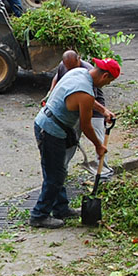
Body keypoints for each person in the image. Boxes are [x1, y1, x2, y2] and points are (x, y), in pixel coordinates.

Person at [30, 58, 120, 228]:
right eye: (109, 81)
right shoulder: (86, 92)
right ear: (105, 76)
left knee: (59, 171)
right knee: (54, 175)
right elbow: (86, 126)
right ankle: (39, 215)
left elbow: (82, 98)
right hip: (50, 131)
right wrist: (99, 146)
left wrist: (103, 110)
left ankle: (61, 209)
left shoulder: (79, 73)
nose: (107, 84)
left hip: (46, 124)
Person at [47, 50, 114, 179]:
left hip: (95, 107)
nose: (71, 70)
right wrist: (50, 94)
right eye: (68, 68)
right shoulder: (67, 67)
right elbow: (57, 78)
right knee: (72, 140)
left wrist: (103, 111)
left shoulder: (89, 72)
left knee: (99, 139)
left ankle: (103, 169)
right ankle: (62, 169)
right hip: (77, 106)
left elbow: (88, 101)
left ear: (79, 59)